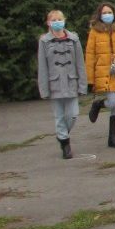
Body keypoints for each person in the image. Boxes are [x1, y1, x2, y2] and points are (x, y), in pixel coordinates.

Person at [37, 10, 87, 159]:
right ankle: (65, 143)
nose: (57, 22)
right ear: (48, 23)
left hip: (71, 82)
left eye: (60, 19)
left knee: (73, 115)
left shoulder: (74, 39)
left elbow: (80, 63)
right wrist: (44, 89)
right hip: (55, 83)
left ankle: (62, 134)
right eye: (54, 20)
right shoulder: (44, 41)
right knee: (59, 116)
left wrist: (82, 85)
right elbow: (42, 66)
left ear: (64, 20)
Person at [85, 2, 115, 148]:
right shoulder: (94, 32)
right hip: (103, 72)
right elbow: (90, 54)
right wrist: (90, 78)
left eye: (109, 12)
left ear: (114, 13)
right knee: (113, 102)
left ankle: (112, 138)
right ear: (100, 15)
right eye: (104, 13)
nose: (107, 15)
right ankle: (98, 103)